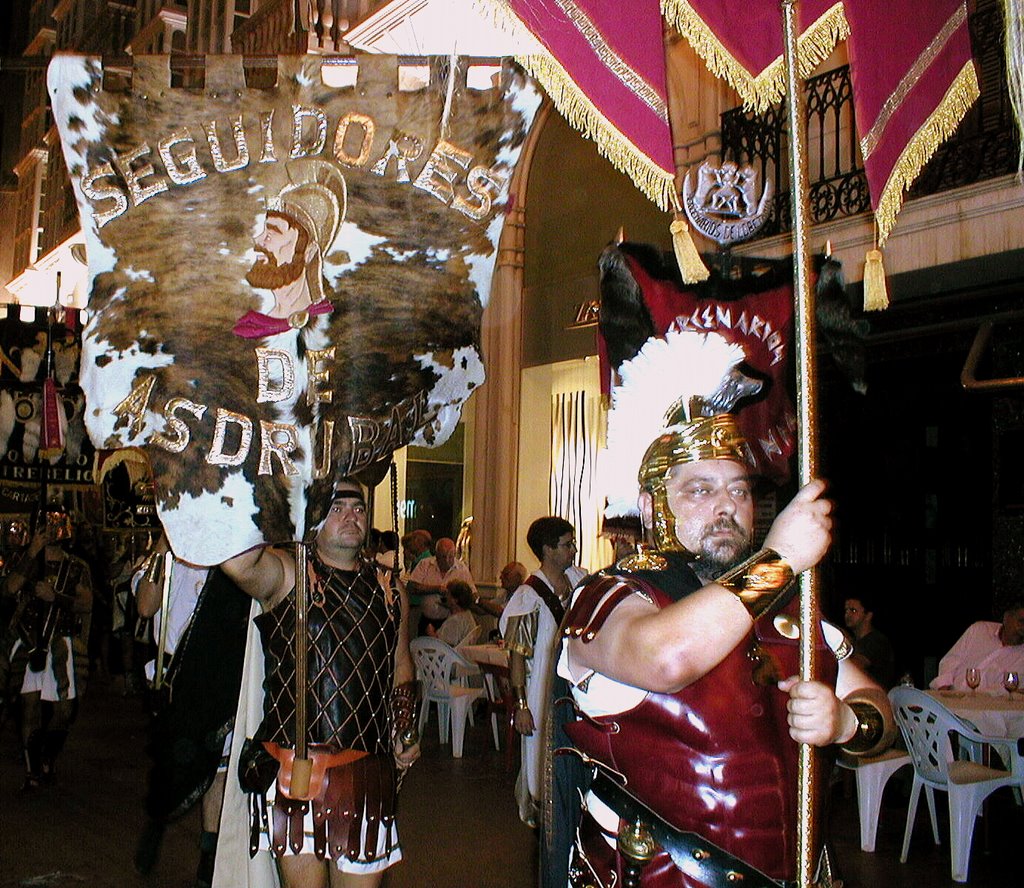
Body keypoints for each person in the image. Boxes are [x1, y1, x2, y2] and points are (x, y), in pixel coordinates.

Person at [557, 330, 894, 887]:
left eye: (737, 491)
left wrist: (846, 722)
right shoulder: (609, 597)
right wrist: (780, 558)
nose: (725, 507)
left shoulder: (783, 605)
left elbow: (876, 707)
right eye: (699, 491)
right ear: (650, 504)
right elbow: (667, 658)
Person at [220, 477, 419, 887]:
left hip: (365, 771)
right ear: (313, 518)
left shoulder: (389, 588)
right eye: (337, 507)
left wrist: (404, 723)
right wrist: (264, 495)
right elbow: (238, 564)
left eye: (359, 508)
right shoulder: (288, 574)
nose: (352, 516)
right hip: (294, 770)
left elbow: (400, 662)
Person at [131, 535, 251, 888]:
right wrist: (160, 549)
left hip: (214, 686)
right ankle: (157, 818)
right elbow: (144, 608)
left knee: (217, 769)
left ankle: (208, 857)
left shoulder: (230, 564)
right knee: (174, 768)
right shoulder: (164, 560)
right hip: (173, 684)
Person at [499, 517, 586, 827]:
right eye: (567, 544)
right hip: (542, 688)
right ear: (548, 550)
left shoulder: (579, 580)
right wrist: (521, 706)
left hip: (576, 687)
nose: (574, 550)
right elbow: (517, 657)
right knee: (541, 757)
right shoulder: (529, 596)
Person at [4, 509, 93, 790]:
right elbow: (9, 588)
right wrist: (32, 552)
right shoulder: (24, 559)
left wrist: (56, 597)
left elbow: (86, 604)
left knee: (64, 711)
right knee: (28, 706)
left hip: (61, 641)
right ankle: (32, 772)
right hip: (29, 640)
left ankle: (47, 757)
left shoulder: (76, 566)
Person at [233, 160, 346, 339]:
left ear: (309, 252)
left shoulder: (333, 325)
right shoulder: (250, 326)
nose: (258, 240)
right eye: (264, 231)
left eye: (273, 232)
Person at [930, 596, 1024, 691]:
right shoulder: (979, 630)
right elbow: (951, 660)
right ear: (1006, 618)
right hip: (949, 695)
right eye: (1021, 622)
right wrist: (944, 688)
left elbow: (1007, 691)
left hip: (984, 703)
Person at [406, 536, 476, 636]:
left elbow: (471, 593)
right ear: (436, 555)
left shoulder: (462, 569)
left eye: (450, 556)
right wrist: (436, 589)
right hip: (427, 619)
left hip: (450, 621)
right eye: (443, 557)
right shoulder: (425, 564)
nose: (447, 560)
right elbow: (412, 587)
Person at [844, 595, 896, 688]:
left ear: (868, 616)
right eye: (846, 610)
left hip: (874, 698)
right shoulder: (853, 641)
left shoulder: (877, 641)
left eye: (853, 610)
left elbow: (855, 665)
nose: (847, 614)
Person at [428, 580, 478, 647]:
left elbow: (447, 648)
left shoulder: (454, 621)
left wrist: (431, 634)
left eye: (448, 594)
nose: (445, 597)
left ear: (455, 600)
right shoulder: (468, 615)